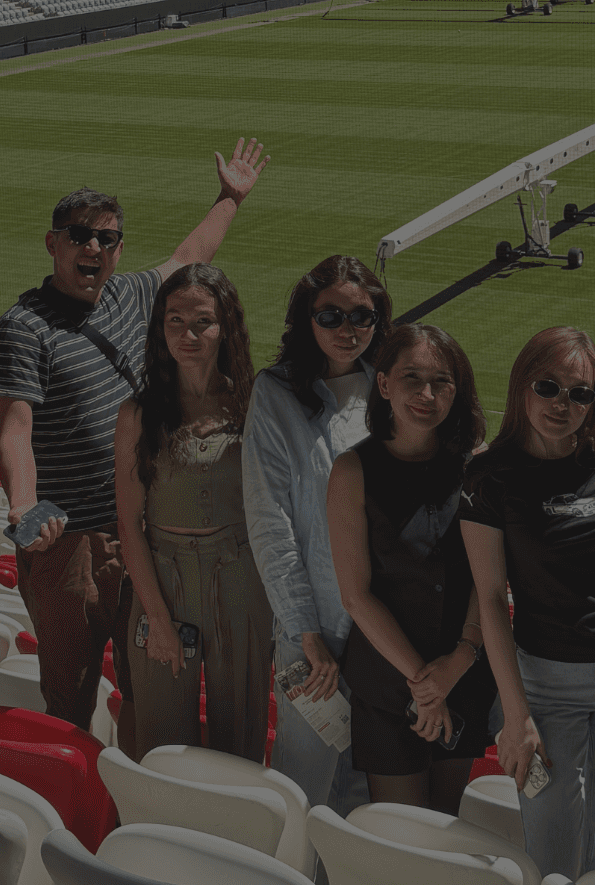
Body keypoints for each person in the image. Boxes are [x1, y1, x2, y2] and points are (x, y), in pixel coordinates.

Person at [0, 140, 269, 747]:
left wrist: (230, 198)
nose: (94, 248)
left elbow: (190, 257)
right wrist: (22, 507)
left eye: (107, 238)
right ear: (53, 243)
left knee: (150, 686)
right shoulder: (23, 326)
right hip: (71, 546)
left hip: (144, 537)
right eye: (79, 235)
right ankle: (79, 814)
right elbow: (15, 432)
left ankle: (136, 800)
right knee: (71, 693)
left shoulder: (131, 296)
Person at [461, 327, 595, 879]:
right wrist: (516, 713)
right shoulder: (488, 476)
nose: (562, 405)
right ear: (523, 386)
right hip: (547, 682)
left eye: (580, 392)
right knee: (549, 834)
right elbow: (493, 601)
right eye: (548, 387)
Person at [327, 322, 495, 813]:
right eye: (412, 378)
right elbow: (356, 595)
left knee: (443, 828)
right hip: (387, 681)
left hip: (463, 675)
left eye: (442, 381)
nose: (427, 394)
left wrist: (456, 664)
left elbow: (489, 580)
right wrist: (425, 683)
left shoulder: (475, 466)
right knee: (402, 835)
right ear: (383, 385)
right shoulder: (352, 471)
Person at [244, 254, 390, 812]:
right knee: (302, 787)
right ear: (306, 318)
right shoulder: (277, 394)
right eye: (330, 315)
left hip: (383, 629)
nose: (347, 329)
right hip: (314, 634)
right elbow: (270, 522)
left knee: (361, 789)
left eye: (362, 315)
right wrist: (305, 630)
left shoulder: (392, 389)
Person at [114, 264, 270, 760]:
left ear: (225, 326)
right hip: (162, 577)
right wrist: (157, 618)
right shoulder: (137, 413)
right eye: (175, 321)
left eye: (202, 321)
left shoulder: (253, 405)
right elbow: (129, 524)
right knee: (161, 739)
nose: (188, 335)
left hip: (240, 575)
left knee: (240, 733)